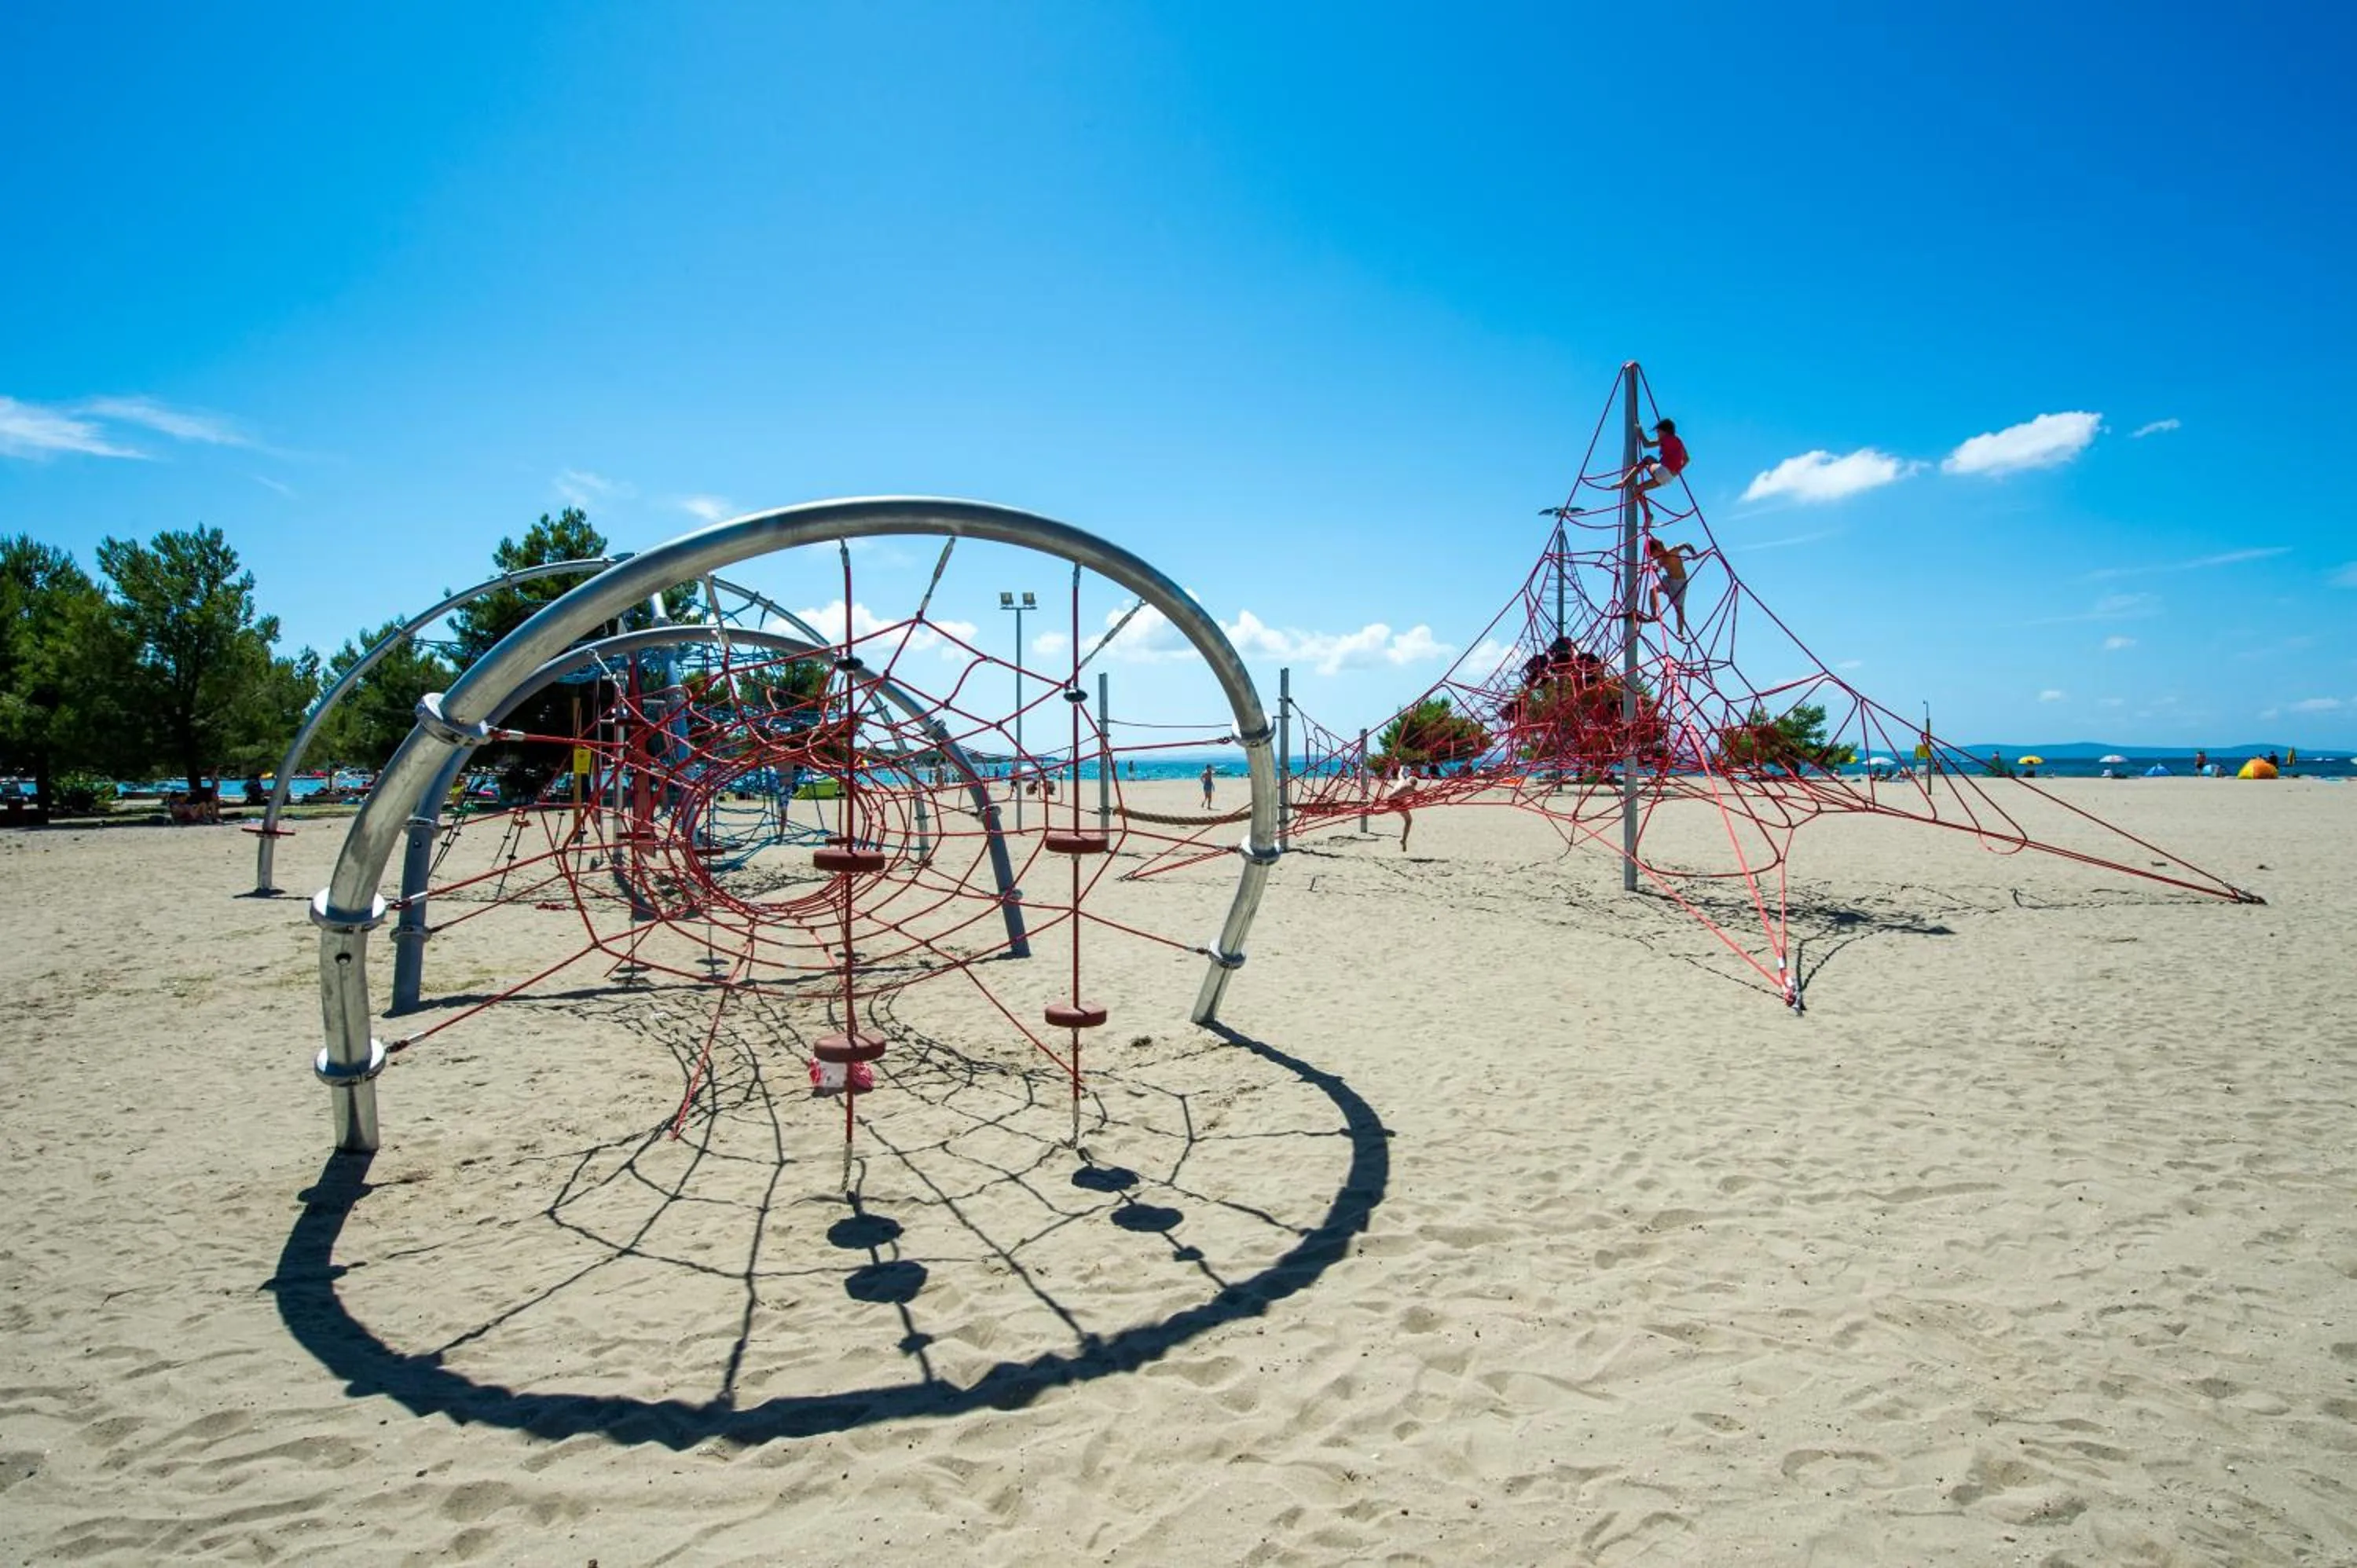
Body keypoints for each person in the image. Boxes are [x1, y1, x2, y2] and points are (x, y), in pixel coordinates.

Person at [1616, 418, 1689, 518]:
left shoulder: (1666, 438)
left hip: (1662, 471)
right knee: (1637, 489)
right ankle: (1648, 515)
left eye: (1658, 432)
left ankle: (1624, 481)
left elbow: (1646, 444)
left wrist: (1640, 432)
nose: (1658, 434)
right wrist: (1677, 472)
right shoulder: (1678, 441)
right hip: (1668, 478)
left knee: (1647, 459)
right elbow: (1687, 460)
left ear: (1665, 431)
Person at [1643, 536, 1700, 637]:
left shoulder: (1672, 551)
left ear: (1659, 549)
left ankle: (1680, 632)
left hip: (1679, 582)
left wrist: (1694, 554)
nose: (1653, 558)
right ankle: (1653, 615)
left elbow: (1686, 544)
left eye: (1653, 555)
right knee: (1652, 590)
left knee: (1679, 608)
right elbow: (1659, 566)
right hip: (1668, 580)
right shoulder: (1660, 559)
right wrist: (1656, 568)